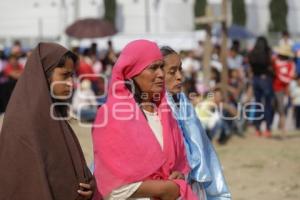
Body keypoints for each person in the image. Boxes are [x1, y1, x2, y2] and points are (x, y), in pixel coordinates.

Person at [92, 40, 197, 199]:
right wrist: (163, 189)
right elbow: (111, 187)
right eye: (153, 68)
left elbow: (179, 167)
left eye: (162, 66)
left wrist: (178, 178)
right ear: (131, 73)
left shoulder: (165, 115)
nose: (161, 74)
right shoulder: (110, 116)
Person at [0, 42, 94, 200]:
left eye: (72, 76)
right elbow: (26, 184)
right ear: (44, 74)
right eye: (64, 75)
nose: (71, 83)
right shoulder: (24, 121)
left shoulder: (53, 114)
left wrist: (89, 186)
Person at [161, 46, 231, 200]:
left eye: (180, 70)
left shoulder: (182, 102)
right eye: (172, 72)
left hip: (193, 184)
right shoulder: (152, 109)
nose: (180, 77)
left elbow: (200, 144)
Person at [248, 36, 274, 137]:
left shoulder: (252, 53)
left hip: (255, 79)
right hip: (266, 80)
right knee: (268, 105)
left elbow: (250, 66)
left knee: (258, 104)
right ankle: (267, 128)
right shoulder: (267, 52)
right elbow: (271, 64)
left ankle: (257, 129)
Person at [272, 45, 295, 134]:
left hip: (283, 89)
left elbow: (289, 78)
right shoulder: (275, 61)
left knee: (282, 108)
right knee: (275, 107)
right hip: (274, 88)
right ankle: (277, 125)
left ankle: (283, 128)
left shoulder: (290, 64)